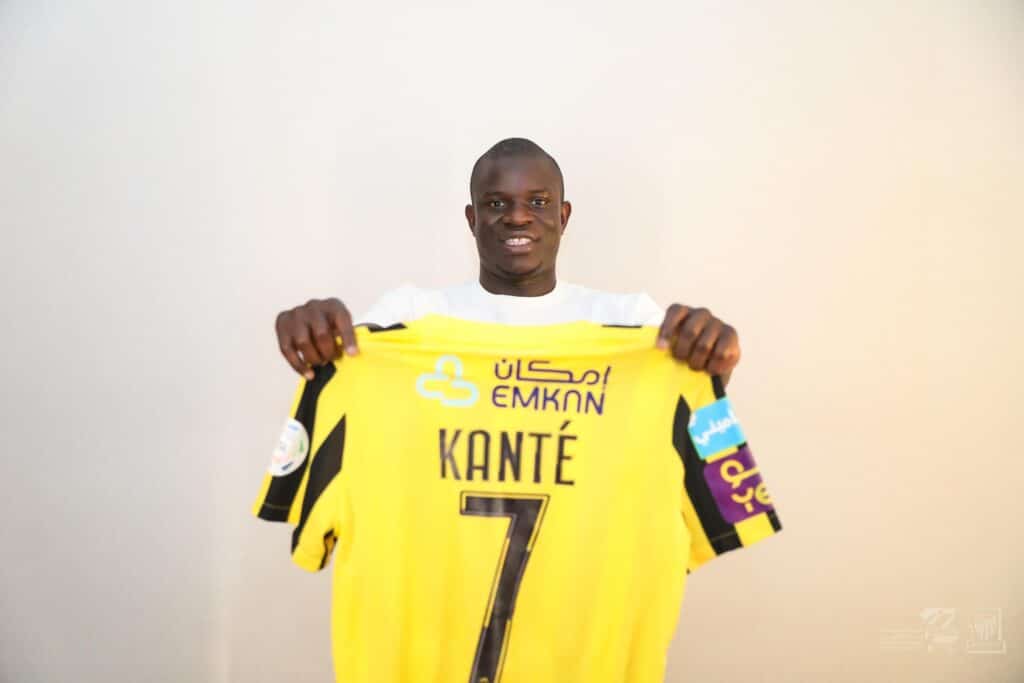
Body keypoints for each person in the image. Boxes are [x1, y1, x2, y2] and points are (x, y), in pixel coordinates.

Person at [274, 138, 741, 382]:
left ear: (563, 216)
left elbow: (700, 434)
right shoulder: (411, 315)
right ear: (472, 219)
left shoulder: (631, 322)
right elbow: (345, 379)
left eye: (537, 202)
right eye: (497, 204)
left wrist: (716, 366)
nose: (518, 216)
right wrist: (316, 334)